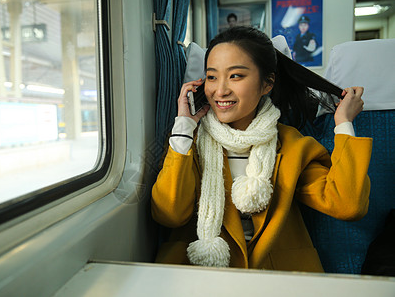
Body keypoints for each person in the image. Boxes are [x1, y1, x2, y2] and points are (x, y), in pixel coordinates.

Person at [151, 26, 372, 272]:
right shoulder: (188, 144)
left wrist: (344, 123)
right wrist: (184, 125)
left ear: (267, 83)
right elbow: (169, 214)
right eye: (212, 77)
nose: (220, 90)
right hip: (207, 273)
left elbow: (347, 204)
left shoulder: (292, 145)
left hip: (276, 274)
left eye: (235, 76)